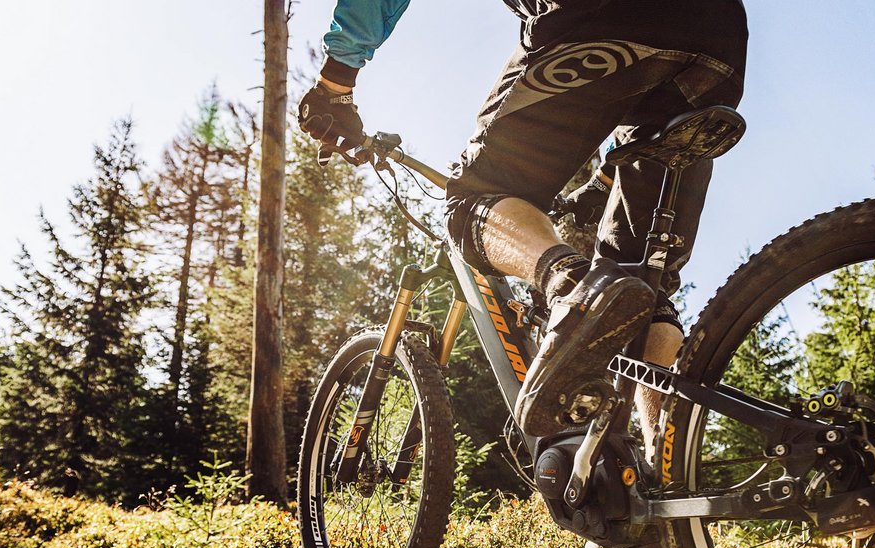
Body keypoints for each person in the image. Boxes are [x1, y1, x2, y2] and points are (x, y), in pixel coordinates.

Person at [298, 0, 747, 454]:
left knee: (472, 200)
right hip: (720, 44)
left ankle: (573, 290)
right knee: (641, 286)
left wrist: (336, 81)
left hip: (604, 19)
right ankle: (667, 473)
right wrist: (605, 179)